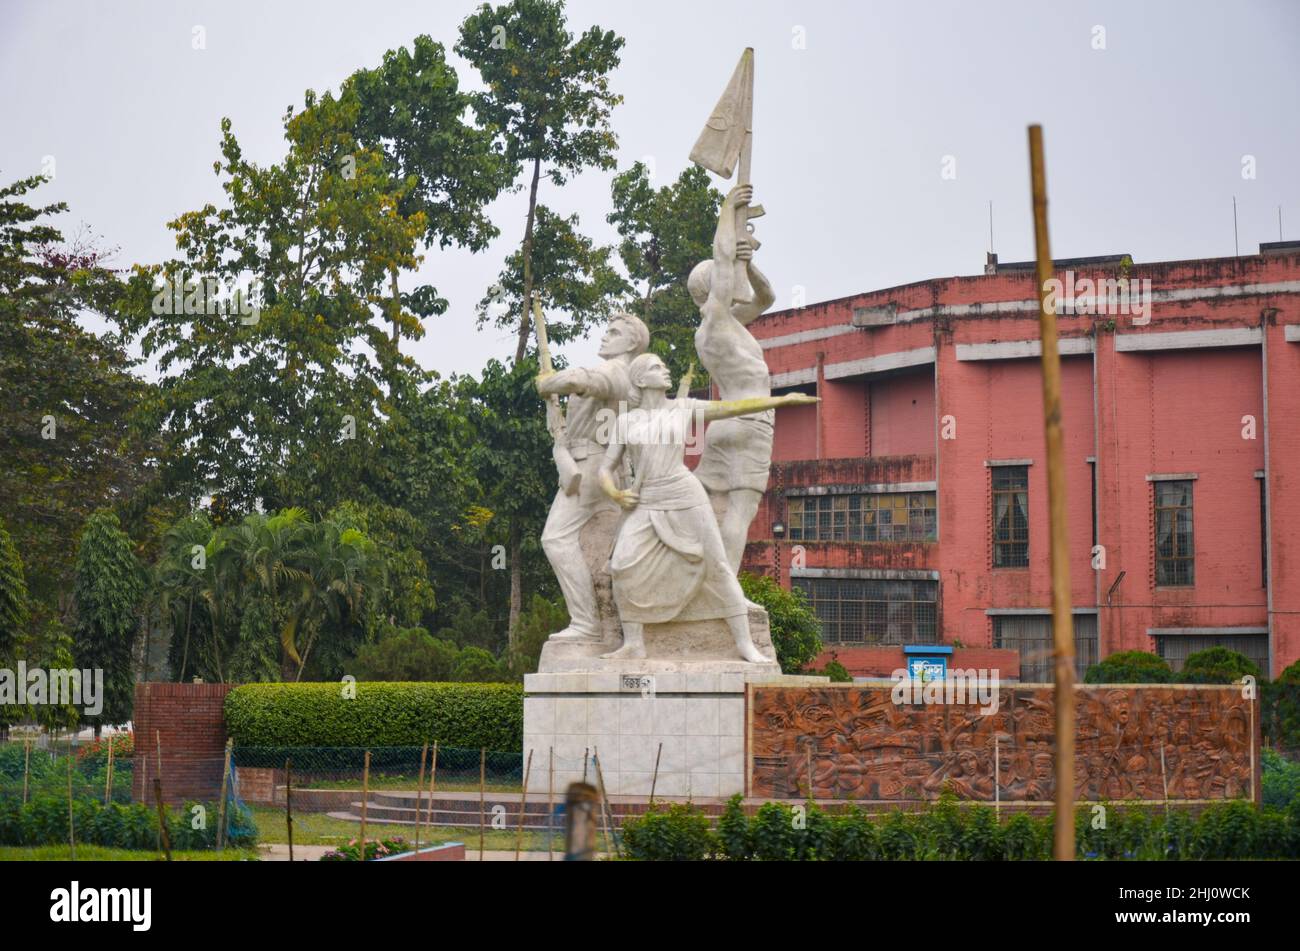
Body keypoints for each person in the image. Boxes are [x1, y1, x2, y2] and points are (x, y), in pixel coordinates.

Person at [596, 352, 817, 661]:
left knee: (718, 564)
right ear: (640, 379)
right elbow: (605, 469)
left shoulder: (684, 408)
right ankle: (635, 643)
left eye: (664, 363)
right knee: (621, 565)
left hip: (684, 493)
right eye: (657, 367)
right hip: (646, 499)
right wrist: (617, 495)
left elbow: (731, 408)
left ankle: (744, 644)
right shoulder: (626, 420)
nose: (666, 369)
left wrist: (779, 402)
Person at [534, 313, 650, 642]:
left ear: (631, 343)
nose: (604, 337)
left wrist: (549, 382)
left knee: (555, 539)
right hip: (603, 467)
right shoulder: (621, 374)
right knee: (621, 549)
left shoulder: (616, 371)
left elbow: (581, 380)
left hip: (590, 466)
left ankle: (586, 624)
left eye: (613, 332)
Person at [689, 182, 778, 572]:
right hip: (752, 423)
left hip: (727, 427)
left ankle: (696, 573)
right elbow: (722, 258)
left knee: (710, 509)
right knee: (739, 515)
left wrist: (750, 263)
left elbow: (766, 298)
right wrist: (727, 209)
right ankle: (725, 589)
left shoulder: (717, 328)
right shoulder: (717, 320)